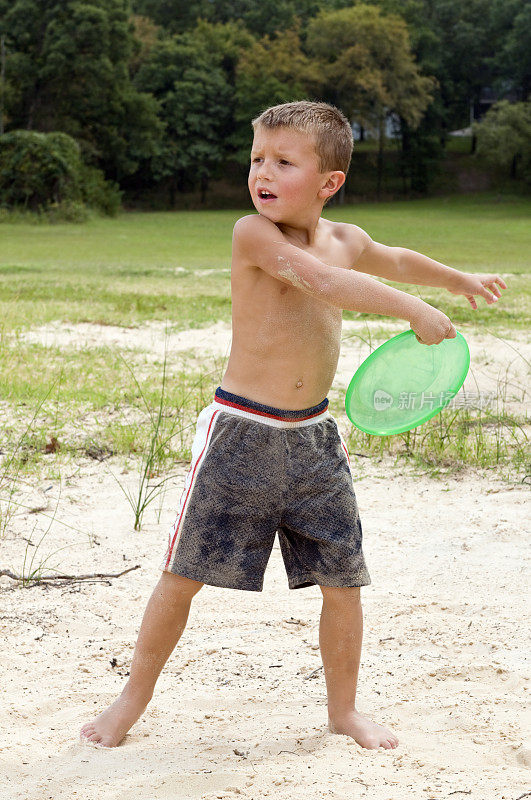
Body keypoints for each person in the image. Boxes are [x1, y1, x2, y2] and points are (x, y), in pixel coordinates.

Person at [80, 100, 507, 750]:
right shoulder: (253, 235)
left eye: (283, 161)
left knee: (343, 581)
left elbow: (391, 258)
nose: (262, 172)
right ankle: (129, 701)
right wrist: (412, 311)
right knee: (182, 576)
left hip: (314, 440)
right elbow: (319, 281)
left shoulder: (347, 238)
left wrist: (456, 280)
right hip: (240, 436)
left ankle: (343, 712)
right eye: (257, 159)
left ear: (329, 181)